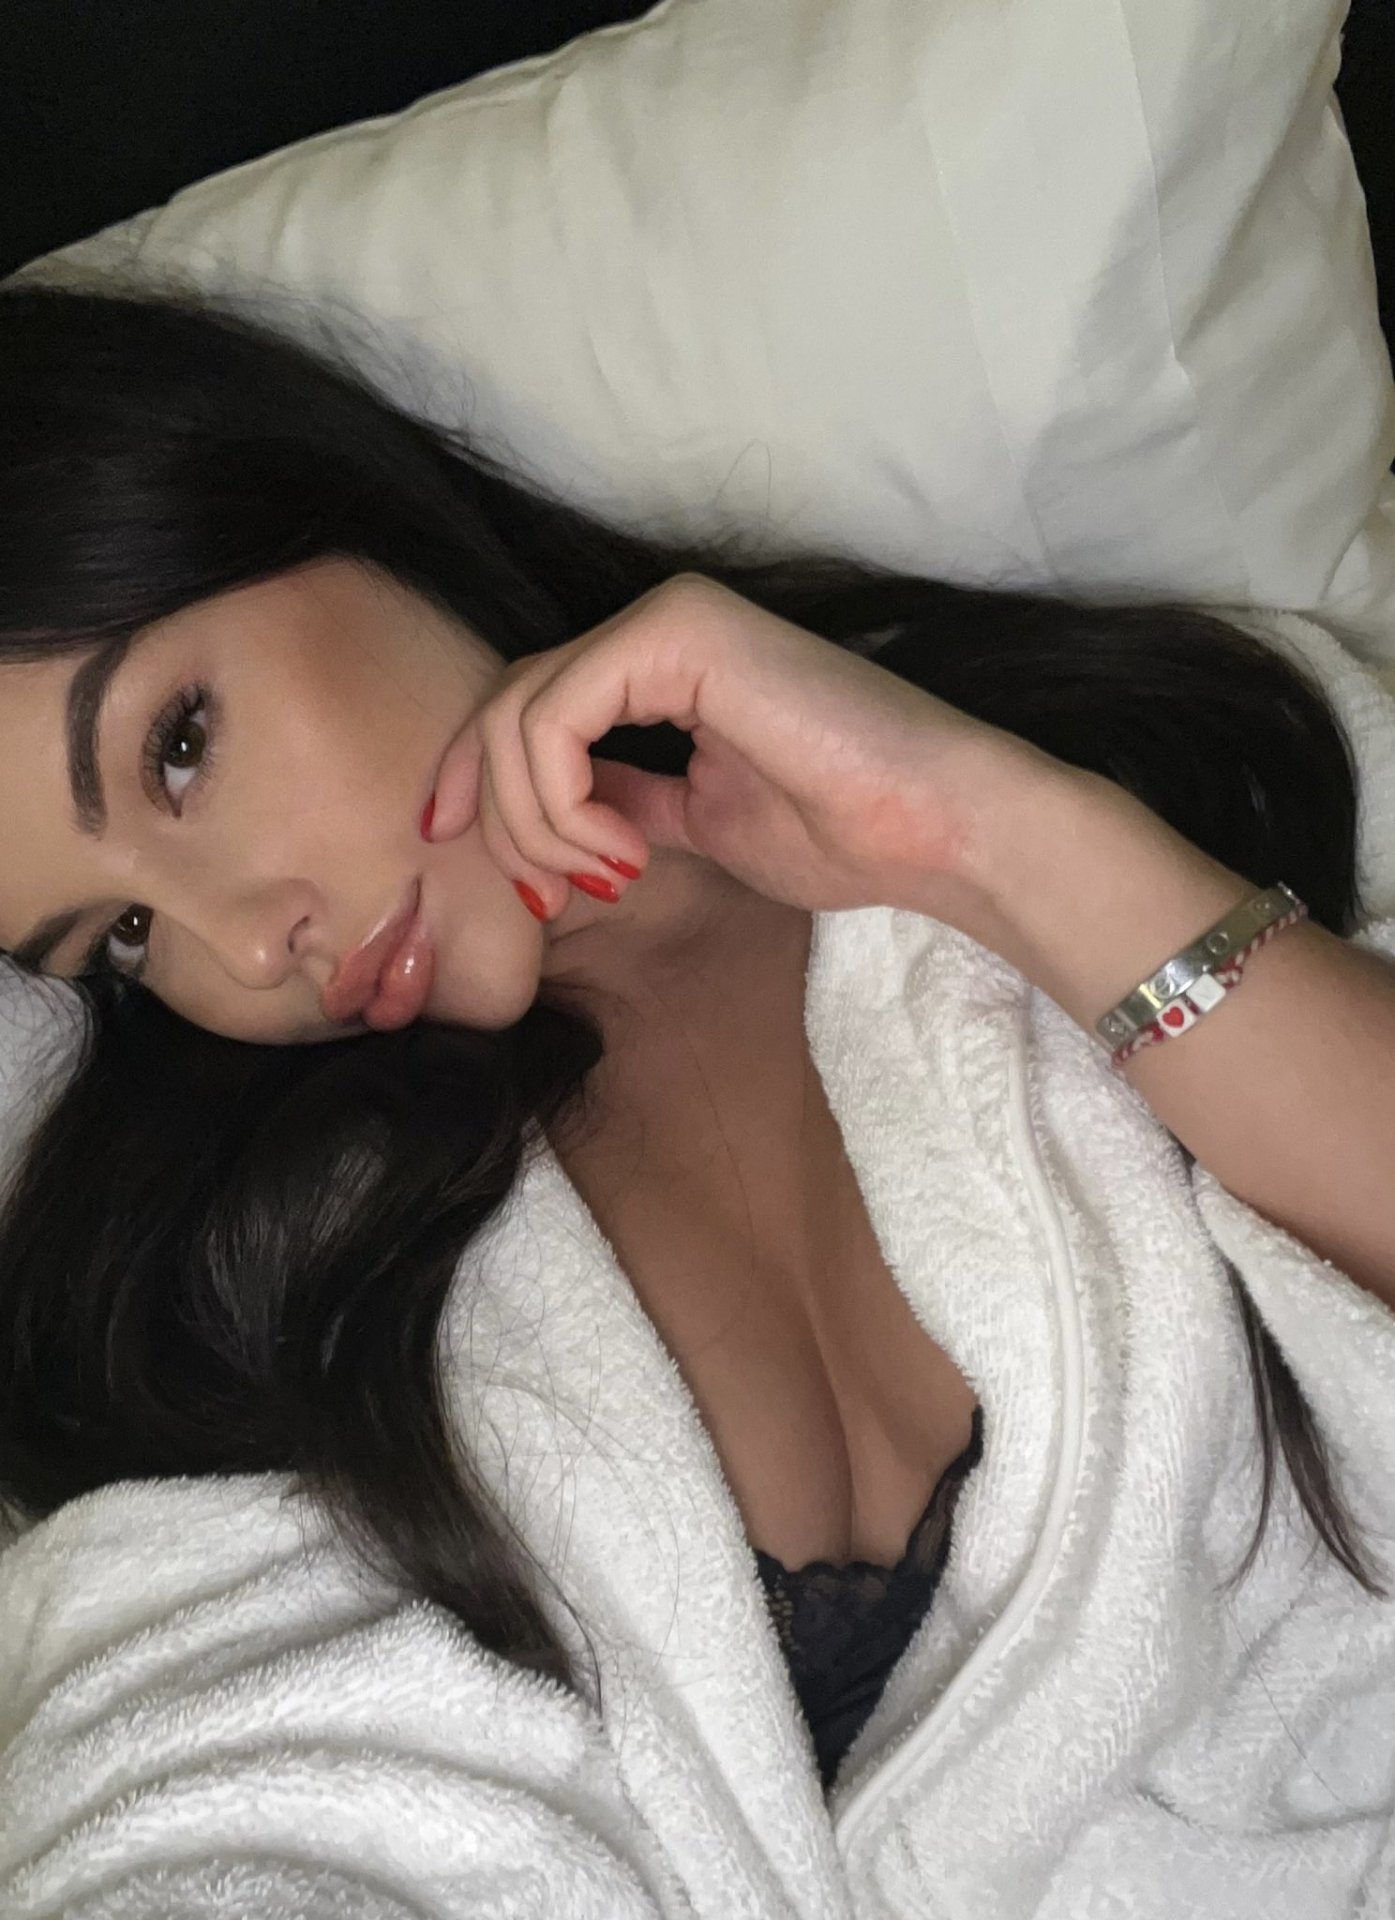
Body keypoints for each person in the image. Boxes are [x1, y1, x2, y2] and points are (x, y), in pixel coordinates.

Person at [1, 279, 1394, 1918]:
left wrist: (990, 835)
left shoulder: (1166, 741)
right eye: (121, 938)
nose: (246, 946)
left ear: (307, 503)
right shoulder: (216, 1286)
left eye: (178, 749)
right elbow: (204, 1778)